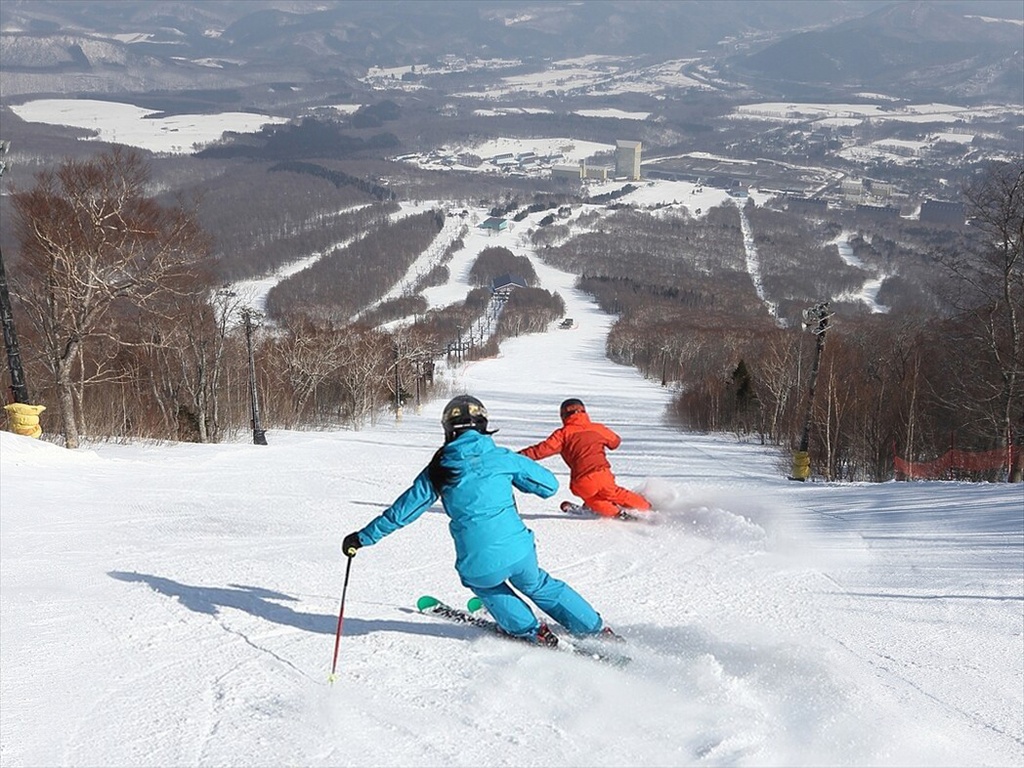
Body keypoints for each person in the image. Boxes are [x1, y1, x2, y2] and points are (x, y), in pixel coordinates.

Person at [342, 394, 613, 646]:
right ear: (483, 425)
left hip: (477, 561)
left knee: (487, 584)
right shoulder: (502, 457)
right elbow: (549, 487)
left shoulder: (439, 469)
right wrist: (514, 472)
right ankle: (594, 628)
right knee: (538, 584)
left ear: (448, 429)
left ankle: (530, 630)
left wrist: (362, 538)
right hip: (520, 552)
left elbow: (402, 513)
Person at [520, 398, 651, 518]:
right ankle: (647, 507)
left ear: (563, 416)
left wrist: (517, 456)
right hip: (602, 474)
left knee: (592, 498)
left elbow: (540, 450)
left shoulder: (562, 434)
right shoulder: (598, 429)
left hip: (581, 481)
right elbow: (615, 442)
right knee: (616, 493)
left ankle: (615, 513)